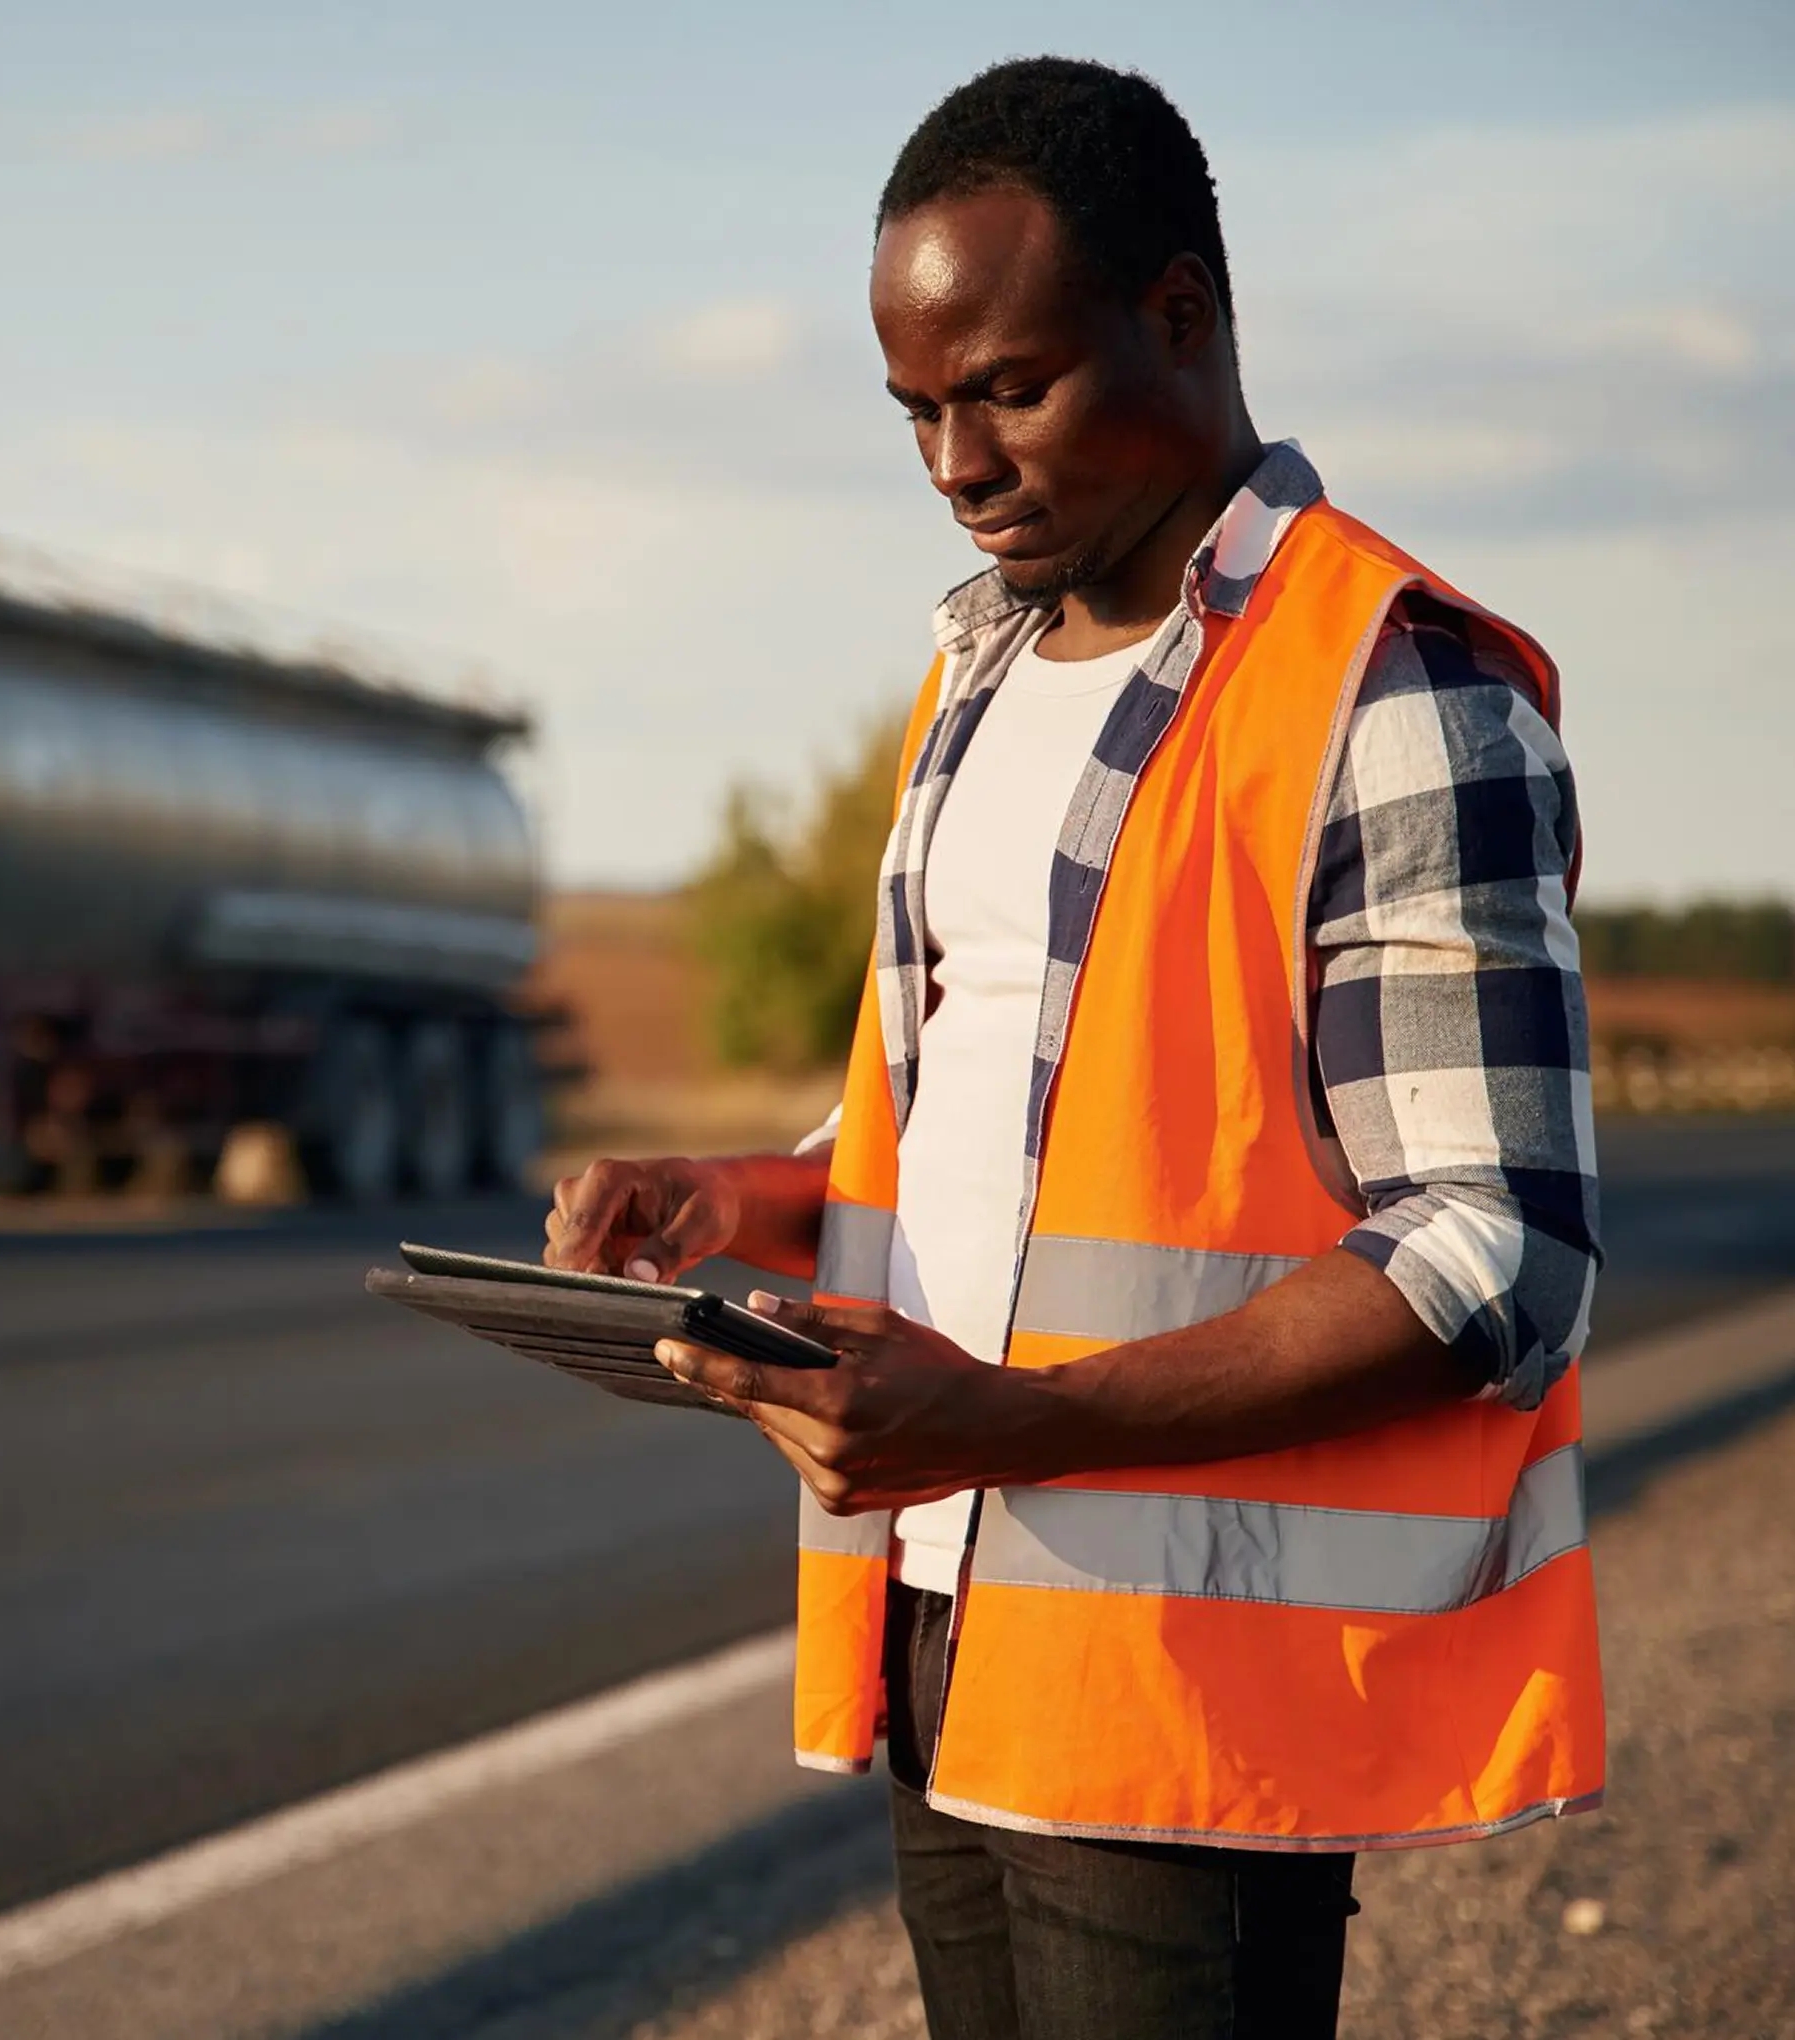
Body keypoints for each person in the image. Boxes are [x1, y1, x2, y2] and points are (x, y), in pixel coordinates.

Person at [545, 56, 1605, 2040]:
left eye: (1005, 388)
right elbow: (1006, 1128)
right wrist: (752, 1198)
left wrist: (1013, 1419)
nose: (952, 459)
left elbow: (1497, 1257)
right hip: (947, 1622)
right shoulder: (980, 673)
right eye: (914, 410)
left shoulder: (1395, 686)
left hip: (1190, 1670)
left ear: (1181, 318)